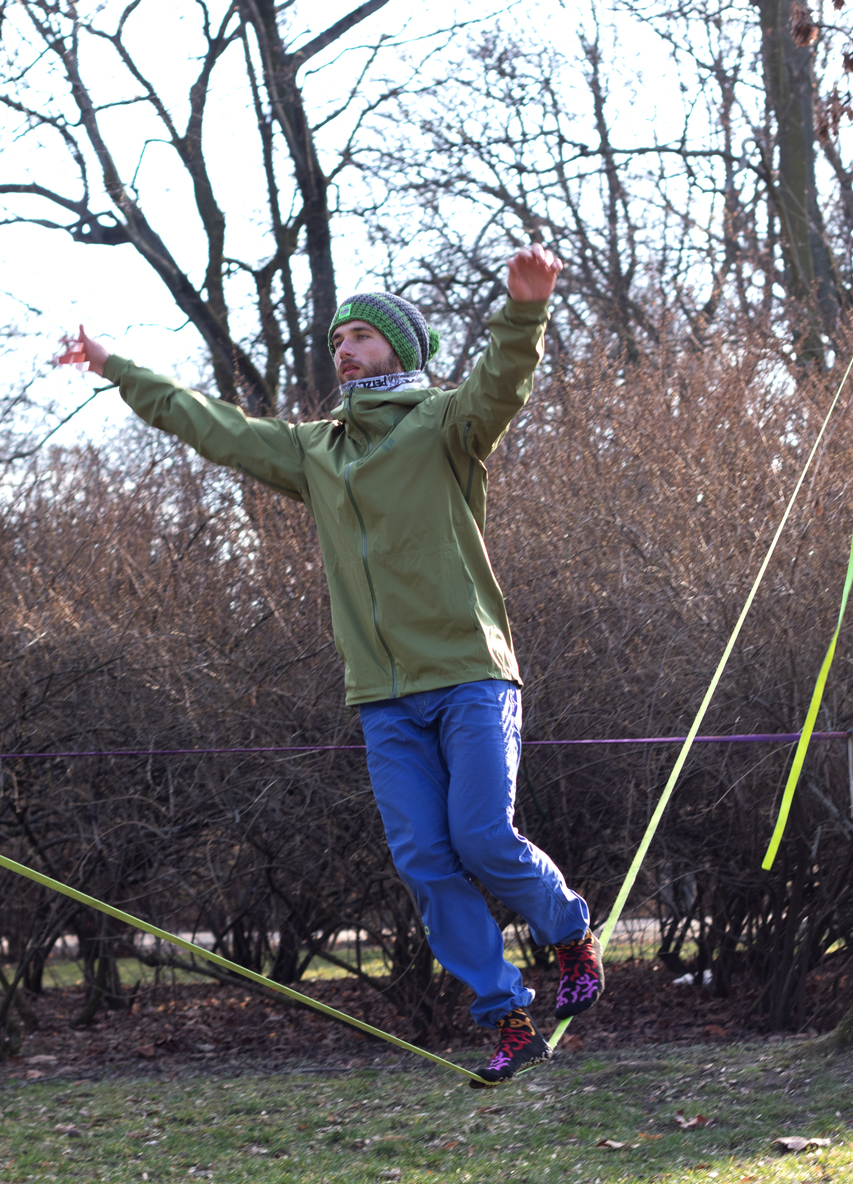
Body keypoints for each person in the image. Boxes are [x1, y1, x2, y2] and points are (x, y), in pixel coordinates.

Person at [58, 243, 604, 1083]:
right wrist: (111, 365)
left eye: (362, 335)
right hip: (383, 698)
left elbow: (501, 383)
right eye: (338, 338)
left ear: (401, 351)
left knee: (484, 836)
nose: (344, 348)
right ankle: (506, 1018)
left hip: (468, 674)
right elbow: (212, 426)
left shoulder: (445, 424)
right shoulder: (317, 453)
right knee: (426, 858)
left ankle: (568, 935)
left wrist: (524, 311)